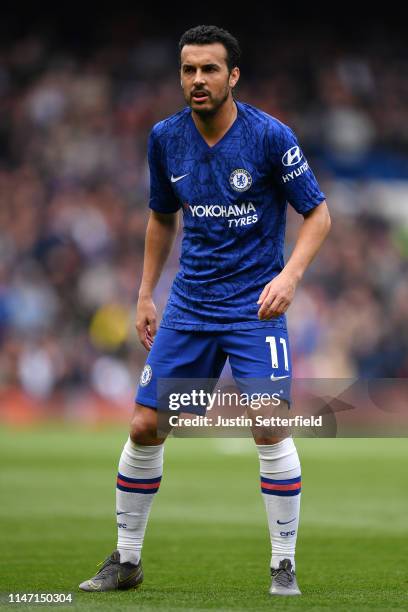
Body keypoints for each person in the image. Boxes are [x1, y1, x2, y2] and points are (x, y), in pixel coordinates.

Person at [79, 24, 331, 597]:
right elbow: (161, 216)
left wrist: (289, 276)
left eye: (209, 69)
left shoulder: (270, 137)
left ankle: (283, 564)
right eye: (189, 69)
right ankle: (127, 560)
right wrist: (145, 294)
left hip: (253, 310)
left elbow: (317, 214)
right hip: (189, 305)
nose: (197, 79)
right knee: (146, 425)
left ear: (232, 76)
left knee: (269, 423)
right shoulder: (165, 138)